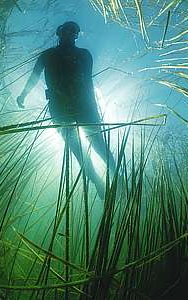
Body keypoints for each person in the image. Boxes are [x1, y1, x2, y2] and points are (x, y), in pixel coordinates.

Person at [17, 21, 115, 198]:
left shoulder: (84, 55)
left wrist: (95, 110)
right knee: (76, 148)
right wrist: (23, 94)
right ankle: (97, 181)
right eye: (67, 30)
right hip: (59, 106)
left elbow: (88, 82)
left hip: (84, 105)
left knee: (98, 143)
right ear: (59, 32)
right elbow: (34, 76)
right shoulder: (47, 55)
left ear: (77, 34)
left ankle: (117, 175)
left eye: (74, 31)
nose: (70, 33)